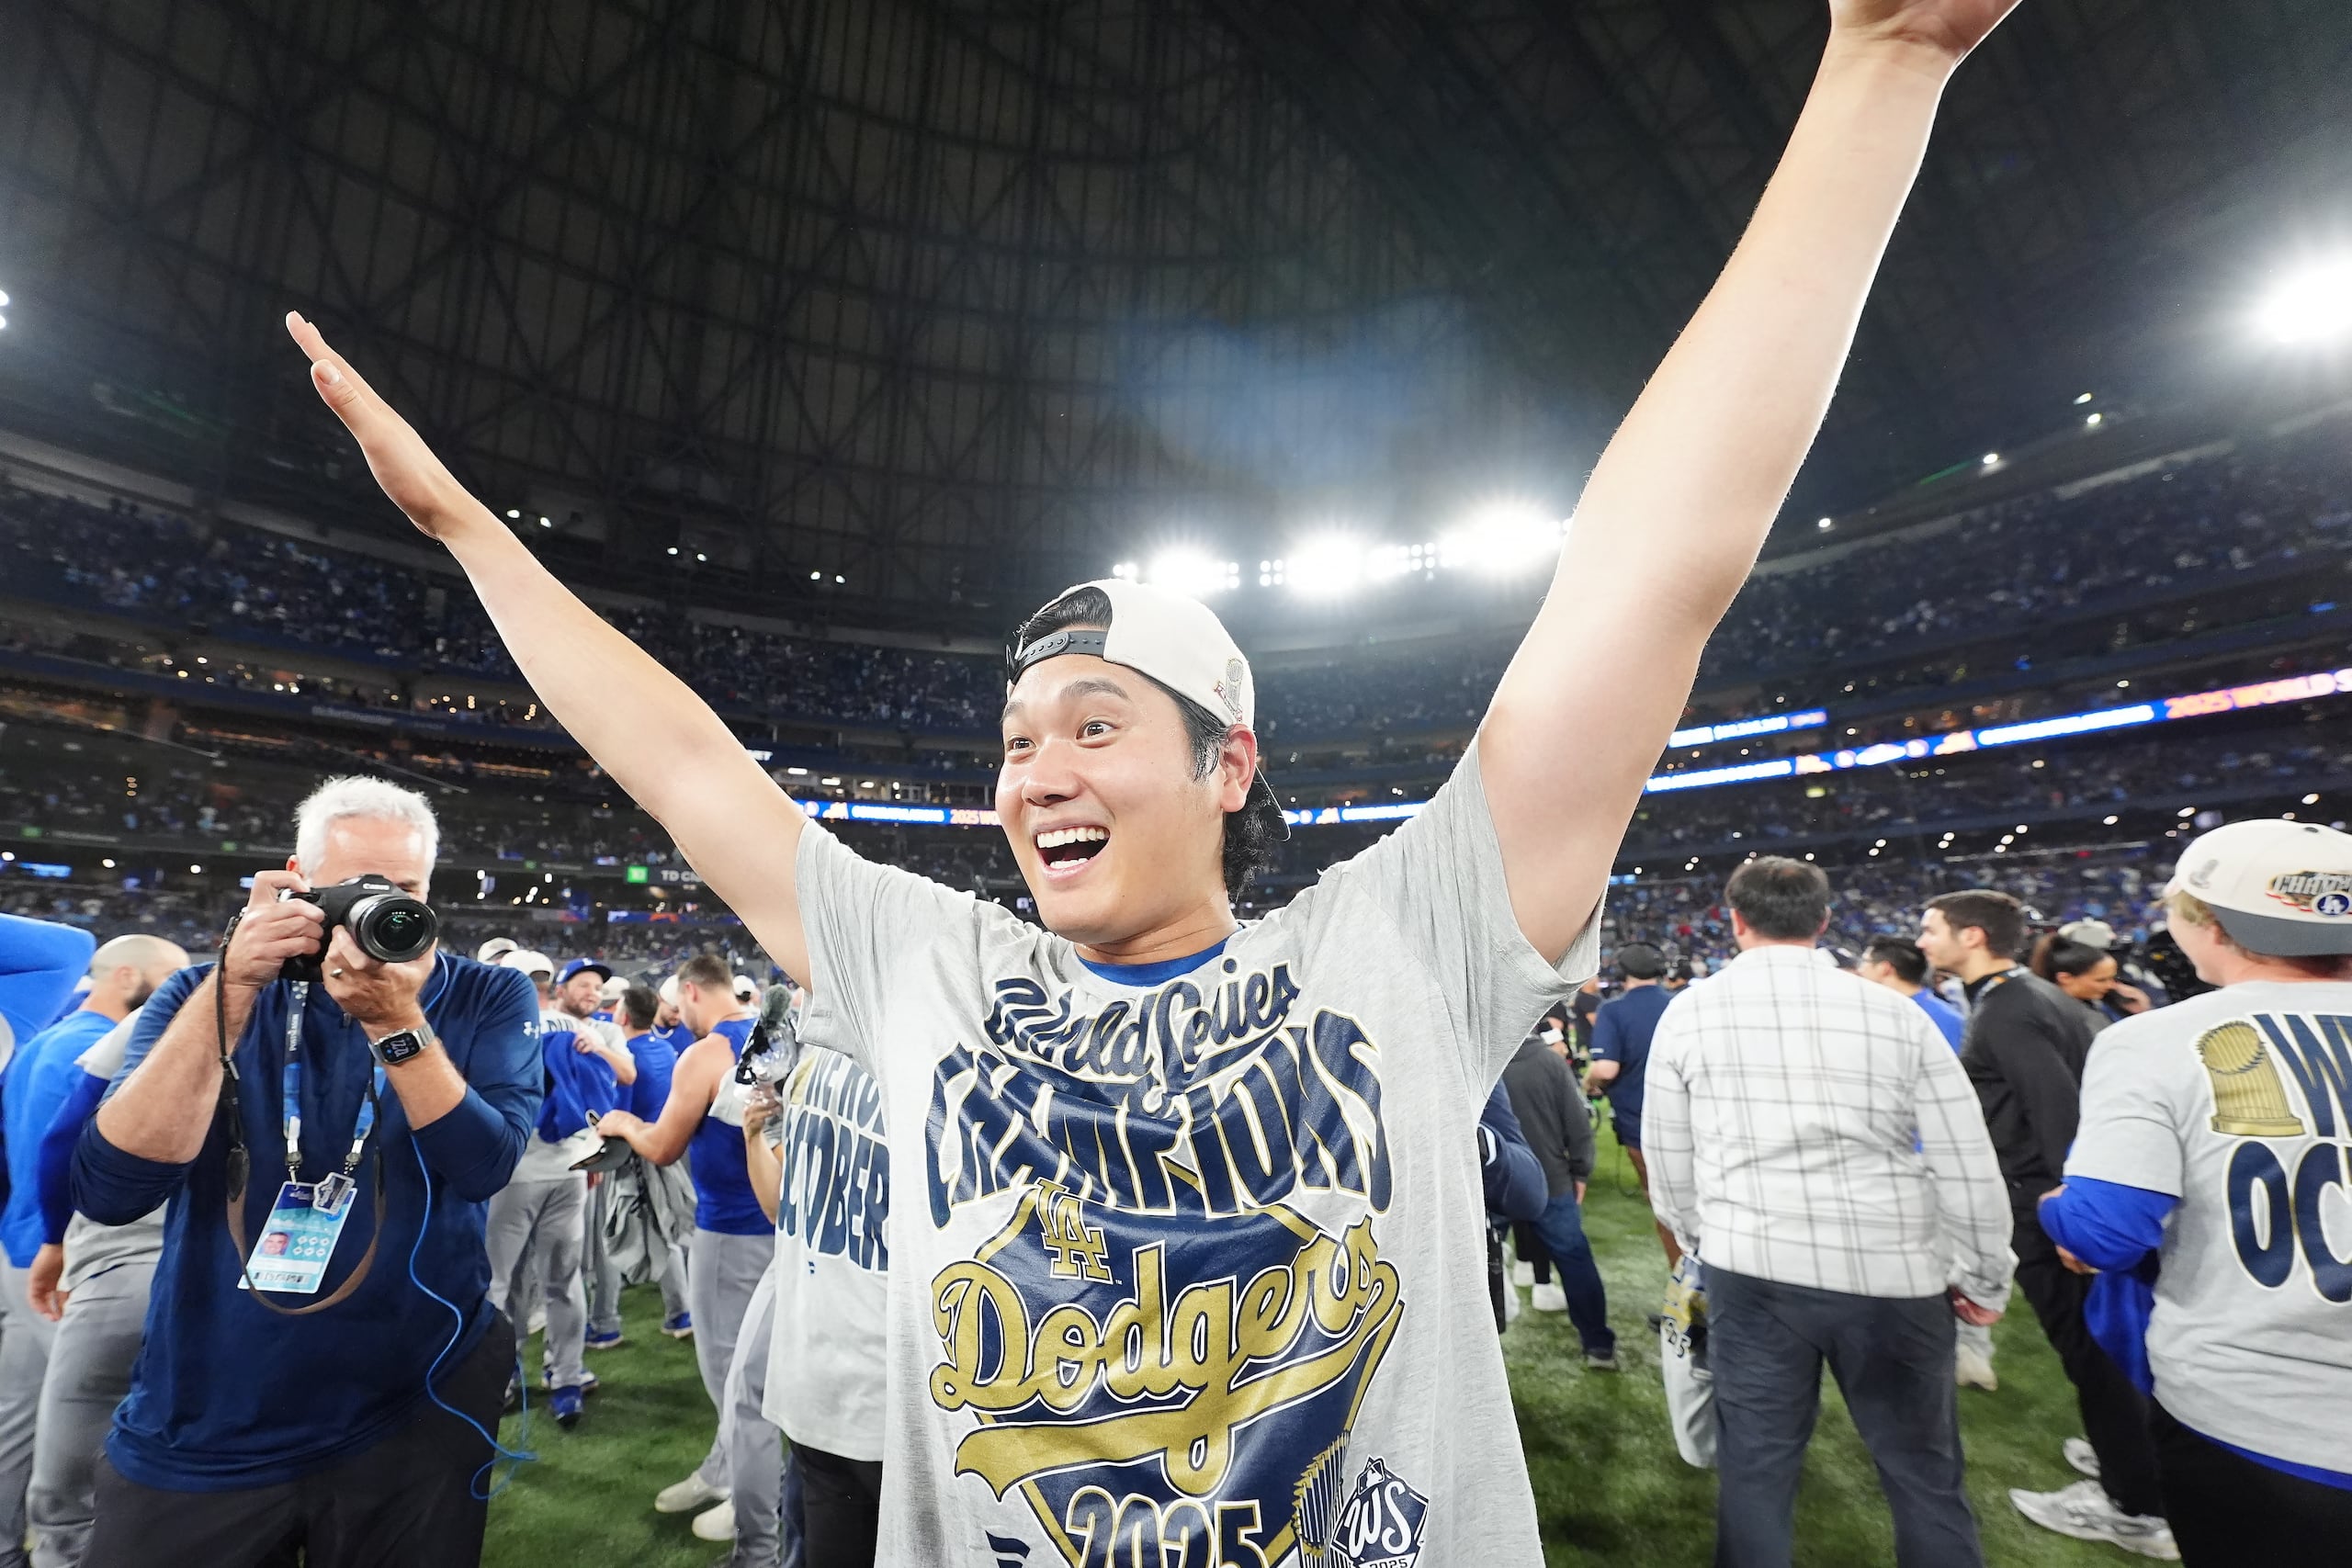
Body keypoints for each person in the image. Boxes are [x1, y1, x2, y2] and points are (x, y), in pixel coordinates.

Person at [288, 5, 2030, 1549]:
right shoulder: (929, 964)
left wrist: (1878, 68)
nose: (1035, 770)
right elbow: (677, 754)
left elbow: (1653, 566)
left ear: (1230, 763)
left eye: (1098, 724)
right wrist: (461, 529)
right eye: (1017, 741)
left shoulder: (1402, 941)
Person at [70, 775, 541, 1568]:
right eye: (360, 887)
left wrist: (396, 1022)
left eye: (408, 888)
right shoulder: (204, 989)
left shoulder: (487, 993)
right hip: (213, 1401)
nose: (382, 906)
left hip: (414, 1399)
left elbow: (483, 1164)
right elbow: (112, 1188)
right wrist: (234, 985)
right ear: (298, 880)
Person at [1648, 857, 2013, 1568]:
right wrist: (1985, 1277)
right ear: (1822, 923)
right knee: (1924, 1476)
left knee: (1755, 1470)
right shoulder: (1894, 1012)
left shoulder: (1691, 1009)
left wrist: (1703, 1238)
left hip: (1749, 1263)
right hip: (1894, 1266)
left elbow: (1670, 1162)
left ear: (1736, 920)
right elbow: (1966, 1157)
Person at [2040, 819, 2352, 1562]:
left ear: (2207, 923)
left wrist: (2054, 1205)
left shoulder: (2157, 1039)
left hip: (2263, 1416)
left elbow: (2104, 1231)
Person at [1918, 889, 2174, 1557]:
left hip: (2042, 1199)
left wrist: (2074, 1215)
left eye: (1931, 928)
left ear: (1971, 936)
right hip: (2050, 1189)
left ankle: (2134, 1504)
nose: (1921, 941)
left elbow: (2053, 1104)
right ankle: (2132, 1458)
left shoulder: (2009, 1007)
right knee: (2103, 1345)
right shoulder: (2030, 995)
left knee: (2090, 1348)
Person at [0, 937, 186, 1568]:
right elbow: (78, 1158)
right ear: (129, 974)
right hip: (67, 1259)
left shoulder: (47, 1038)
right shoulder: (92, 1046)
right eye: (168, 977)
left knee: (21, 1420)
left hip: (22, 1241)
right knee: (89, 1447)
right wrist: (60, 1243)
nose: (175, 991)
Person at [590, 954, 774, 1538]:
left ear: (692, 992)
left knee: (733, 1377)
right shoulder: (776, 1032)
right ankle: (722, 1471)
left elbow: (664, 1145)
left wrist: (621, 1124)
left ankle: (754, 1509)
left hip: (730, 1228)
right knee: (750, 1370)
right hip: (779, 1221)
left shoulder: (708, 1051)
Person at [757, 1002, 893, 1568]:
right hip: (819, 1381)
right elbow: (783, 1205)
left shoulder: (938, 1043)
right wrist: (761, 1129)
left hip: (894, 1397)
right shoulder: (813, 1036)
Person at [483, 949, 632, 1426]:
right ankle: (557, 1375)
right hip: (555, 1171)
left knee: (508, 1284)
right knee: (548, 1283)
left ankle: (518, 1377)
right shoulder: (572, 1030)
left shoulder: (495, 1027)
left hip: (527, 1174)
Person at [1856, 932, 1996, 1391]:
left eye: (1865, 962)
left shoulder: (1884, 1019)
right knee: (1956, 1258)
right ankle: (1973, 1352)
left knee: (1906, 1267)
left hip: (1901, 1158)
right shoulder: (1954, 1018)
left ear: (1885, 969)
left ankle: (1920, 1353)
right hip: (1950, 1155)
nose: (1860, 970)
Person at [1499, 1021, 1615, 1367]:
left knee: (1473, 1267)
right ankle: (1598, 1345)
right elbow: (1578, 1125)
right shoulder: (1549, 1062)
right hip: (1549, 1179)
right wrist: (1580, 1171)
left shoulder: (1475, 1058)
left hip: (1493, 1183)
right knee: (1574, 1258)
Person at [550, 957, 637, 1356]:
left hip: (590, 1154)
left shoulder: (605, 1029)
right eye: (583, 984)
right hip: (536, 1156)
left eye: (598, 988)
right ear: (561, 989)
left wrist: (600, 1049)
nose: (592, 992)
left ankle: (599, 1326)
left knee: (589, 1250)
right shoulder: (541, 1020)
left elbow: (627, 1074)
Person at [1588, 941, 1680, 1266]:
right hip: (1688, 1114)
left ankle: (1687, 1297)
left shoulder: (1613, 1010)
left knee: (1665, 1206)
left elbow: (1605, 1068)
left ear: (1621, 972)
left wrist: (1589, 1084)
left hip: (1639, 1118)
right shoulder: (1680, 1003)